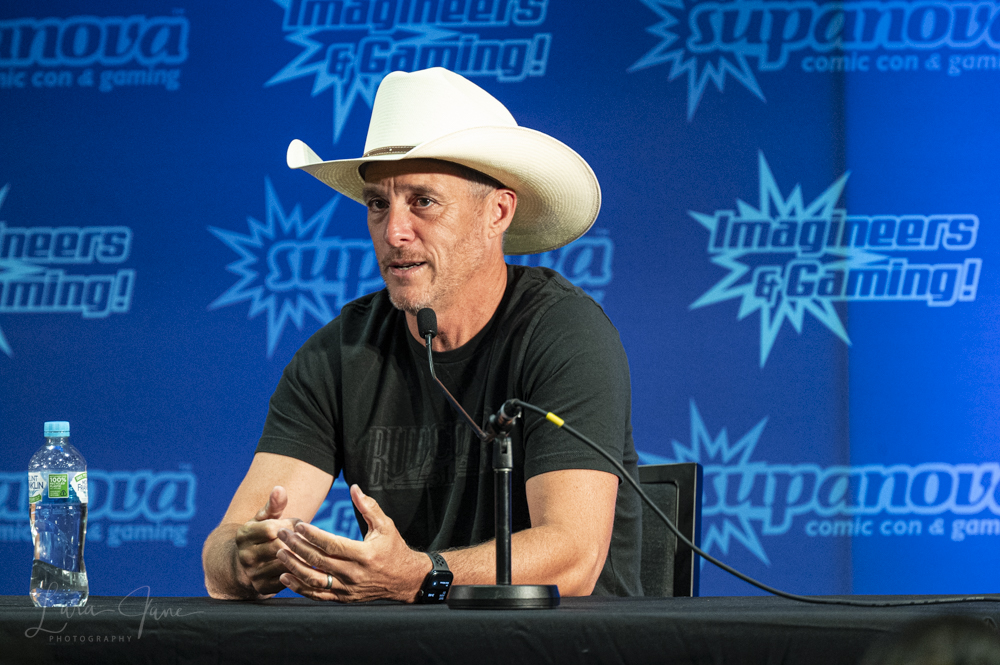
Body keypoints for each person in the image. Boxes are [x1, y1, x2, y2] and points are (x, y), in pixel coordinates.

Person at [202, 67, 641, 603]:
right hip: (415, 642)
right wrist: (246, 558)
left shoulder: (564, 333)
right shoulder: (340, 353)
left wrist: (418, 575)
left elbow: (573, 558)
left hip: (563, 642)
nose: (394, 232)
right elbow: (221, 556)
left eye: (423, 201)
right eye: (378, 204)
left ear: (497, 212)